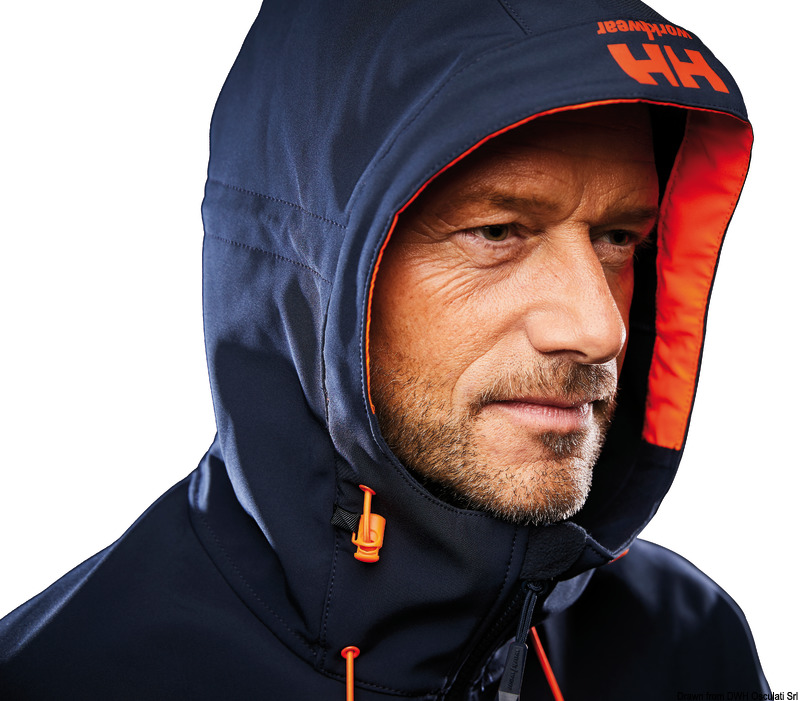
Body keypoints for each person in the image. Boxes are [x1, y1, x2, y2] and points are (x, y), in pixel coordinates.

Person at [0, 0, 772, 698]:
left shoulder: (687, 645)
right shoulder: (61, 677)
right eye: (497, 231)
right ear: (311, 272)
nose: (600, 329)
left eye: (619, 238)